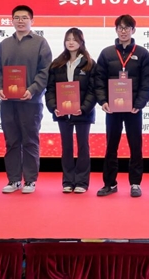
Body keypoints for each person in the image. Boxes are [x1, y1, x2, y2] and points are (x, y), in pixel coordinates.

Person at [0, 5, 52, 194]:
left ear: (32, 21)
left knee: (30, 140)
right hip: (8, 102)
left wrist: (32, 89)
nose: (20, 21)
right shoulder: (4, 44)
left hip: (30, 101)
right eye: (17, 17)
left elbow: (45, 71)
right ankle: (14, 180)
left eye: (24, 18)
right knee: (11, 141)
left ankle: (30, 180)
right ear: (11, 20)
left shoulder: (40, 43)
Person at [95, 14, 149, 198]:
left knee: (135, 146)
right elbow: (99, 80)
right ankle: (109, 183)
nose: (123, 31)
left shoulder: (142, 53)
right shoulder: (107, 53)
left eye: (127, 28)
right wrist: (103, 101)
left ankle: (135, 183)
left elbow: (146, 82)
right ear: (116, 30)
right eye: (120, 28)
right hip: (112, 108)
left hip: (133, 108)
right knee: (111, 146)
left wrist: (139, 103)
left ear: (133, 30)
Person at [45, 28, 98, 194]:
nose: (71, 42)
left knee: (83, 146)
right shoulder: (57, 64)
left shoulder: (89, 64)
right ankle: (68, 181)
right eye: (68, 39)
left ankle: (82, 182)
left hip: (83, 113)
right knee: (66, 146)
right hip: (62, 113)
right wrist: (54, 107)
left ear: (81, 42)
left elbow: (93, 90)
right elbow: (50, 89)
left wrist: (83, 108)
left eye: (74, 39)